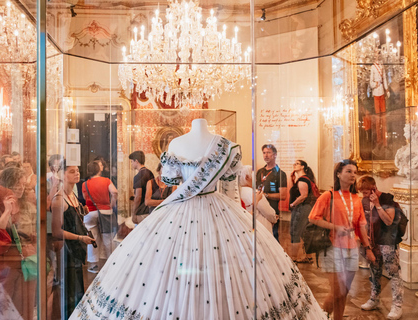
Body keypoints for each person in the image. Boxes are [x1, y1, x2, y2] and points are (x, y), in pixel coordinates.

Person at [70, 119, 325, 320]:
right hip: (204, 211)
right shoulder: (196, 145)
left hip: (210, 211)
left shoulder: (222, 145)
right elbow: (192, 183)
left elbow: (185, 182)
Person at [308, 159, 376, 320]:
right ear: (338, 174)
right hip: (332, 247)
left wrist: (368, 249)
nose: (353, 175)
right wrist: (335, 227)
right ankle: (322, 314)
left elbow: (361, 225)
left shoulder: (355, 198)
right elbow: (313, 218)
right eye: (348, 171)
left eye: (354, 172)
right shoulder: (328, 195)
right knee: (337, 290)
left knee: (344, 291)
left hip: (352, 247)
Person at [0, 167, 37, 320]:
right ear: (6, 185)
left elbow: (35, 232)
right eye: (16, 184)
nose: (21, 188)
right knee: (2, 310)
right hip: (3, 266)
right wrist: (6, 212)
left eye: (23, 184)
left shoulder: (28, 206)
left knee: (25, 309)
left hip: (27, 264)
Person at [51, 162, 95, 320]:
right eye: (72, 171)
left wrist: (82, 212)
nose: (76, 174)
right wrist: (80, 237)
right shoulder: (59, 200)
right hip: (67, 250)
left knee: (77, 289)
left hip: (76, 250)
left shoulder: (72, 196)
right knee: (70, 290)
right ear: (62, 175)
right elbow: (56, 231)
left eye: (77, 171)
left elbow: (73, 219)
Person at [357, 175, 403, 320]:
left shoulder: (387, 199)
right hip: (373, 242)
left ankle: (397, 305)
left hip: (388, 241)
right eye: (362, 192)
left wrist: (377, 204)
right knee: (374, 271)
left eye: (365, 192)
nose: (363, 195)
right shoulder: (363, 201)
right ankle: (374, 298)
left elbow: (389, 221)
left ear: (373, 188)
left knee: (393, 272)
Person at [81, 161, 118, 273]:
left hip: (91, 212)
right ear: (98, 169)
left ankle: (93, 265)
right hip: (105, 211)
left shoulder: (85, 184)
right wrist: (112, 204)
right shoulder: (106, 180)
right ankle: (111, 263)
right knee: (108, 237)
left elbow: (85, 198)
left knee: (93, 238)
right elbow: (114, 192)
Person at [255, 144, 287, 242]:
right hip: (258, 211)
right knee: (259, 239)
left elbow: (283, 195)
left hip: (271, 212)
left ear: (275, 155)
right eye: (264, 153)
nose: (266, 155)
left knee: (272, 240)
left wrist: (266, 195)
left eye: (268, 152)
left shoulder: (280, 174)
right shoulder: (260, 171)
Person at [289, 160, 317, 263]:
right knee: (304, 233)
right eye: (294, 163)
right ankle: (309, 257)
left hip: (302, 208)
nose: (294, 165)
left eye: (297, 164)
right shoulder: (305, 179)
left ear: (303, 167)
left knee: (295, 232)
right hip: (306, 208)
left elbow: (303, 196)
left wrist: (293, 204)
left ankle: (293, 259)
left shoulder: (303, 180)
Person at [239, 165, 277, 233]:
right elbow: (269, 213)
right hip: (261, 230)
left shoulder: (239, 192)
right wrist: (274, 219)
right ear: (247, 177)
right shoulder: (255, 193)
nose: (256, 179)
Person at [370, 51, 390, 154]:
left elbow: (385, 79)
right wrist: (376, 84)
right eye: (375, 55)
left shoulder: (382, 66)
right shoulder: (373, 67)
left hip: (382, 92)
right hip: (376, 93)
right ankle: (379, 141)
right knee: (378, 118)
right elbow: (371, 82)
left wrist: (387, 90)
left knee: (384, 118)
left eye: (378, 55)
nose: (377, 56)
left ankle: (385, 142)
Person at [129, 151, 154, 224]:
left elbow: (138, 197)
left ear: (136, 161)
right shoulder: (150, 172)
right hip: (150, 210)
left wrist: (133, 213)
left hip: (141, 212)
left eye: (131, 161)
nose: (131, 164)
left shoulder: (138, 176)